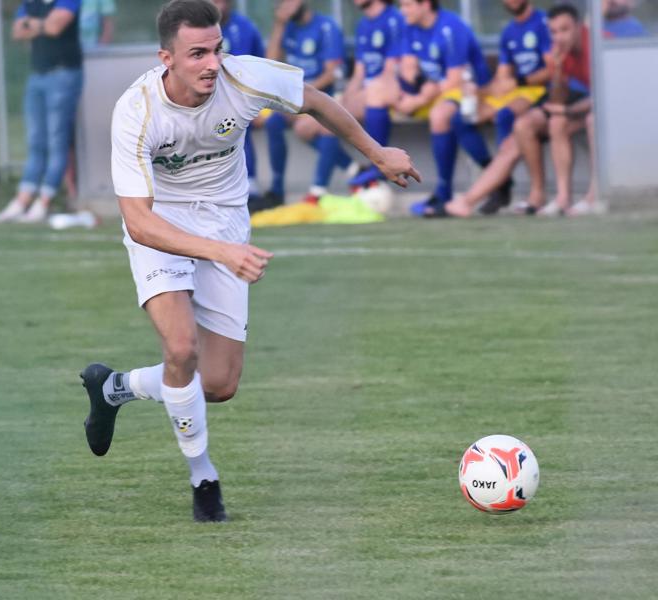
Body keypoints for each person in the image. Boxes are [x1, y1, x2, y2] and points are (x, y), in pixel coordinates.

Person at [80, 0, 419, 522]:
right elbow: (139, 222)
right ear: (166, 58)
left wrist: (378, 154)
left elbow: (316, 102)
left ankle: (114, 388)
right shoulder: (137, 110)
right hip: (162, 226)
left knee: (218, 384)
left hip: (224, 221)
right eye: (197, 54)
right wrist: (222, 253)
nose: (212, 63)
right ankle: (204, 480)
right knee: (181, 347)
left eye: (216, 49)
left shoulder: (244, 78)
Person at [446, 3, 596, 217]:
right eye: (554, 32)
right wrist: (559, 68)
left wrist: (563, 109)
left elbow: (606, 99)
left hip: (578, 105)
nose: (559, 37)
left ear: (579, 27)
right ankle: (542, 196)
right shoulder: (545, 45)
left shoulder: (595, 44)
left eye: (565, 30)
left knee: (563, 120)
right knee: (520, 125)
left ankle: (592, 194)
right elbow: (555, 96)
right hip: (566, 105)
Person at [393, 0, 494, 217]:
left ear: (426, 4)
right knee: (385, 100)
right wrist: (412, 89)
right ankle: (374, 179)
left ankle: (445, 191)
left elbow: (455, 79)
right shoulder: (410, 26)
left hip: (472, 89)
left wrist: (419, 98)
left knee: (441, 115)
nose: (403, 11)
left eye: (408, 5)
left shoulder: (452, 27)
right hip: (436, 89)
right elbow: (408, 68)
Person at [0, 0, 83, 224]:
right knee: (35, 140)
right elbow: (17, 31)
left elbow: (55, 27)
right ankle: (22, 200)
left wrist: (32, 25)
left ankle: (44, 201)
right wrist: (41, 24)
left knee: (56, 140)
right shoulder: (31, 3)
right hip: (38, 75)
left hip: (64, 74)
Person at [265, 0, 352, 205]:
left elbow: (332, 74)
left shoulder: (326, 26)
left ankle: (318, 190)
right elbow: (269, 64)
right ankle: (276, 189)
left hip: (325, 97)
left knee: (313, 127)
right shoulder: (287, 29)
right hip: (296, 98)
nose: (283, 6)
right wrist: (278, 26)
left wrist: (301, 95)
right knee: (273, 123)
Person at [469, 0, 552, 214]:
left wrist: (518, 82)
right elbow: (503, 77)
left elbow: (553, 70)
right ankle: (498, 179)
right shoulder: (509, 31)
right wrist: (478, 92)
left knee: (505, 115)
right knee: (466, 117)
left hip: (542, 91)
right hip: (520, 89)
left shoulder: (544, 22)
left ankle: (500, 184)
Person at [342, 0, 405, 188]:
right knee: (314, 121)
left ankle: (378, 166)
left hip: (392, 88)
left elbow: (391, 70)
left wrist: (365, 93)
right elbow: (359, 73)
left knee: (375, 91)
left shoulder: (394, 19)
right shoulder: (363, 24)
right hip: (367, 90)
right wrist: (346, 98)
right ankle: (352, 168)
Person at [211, 0, 267, 210]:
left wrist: (257, 104)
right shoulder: (197, 29)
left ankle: (250, 185)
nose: (217, 5)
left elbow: (250, 72)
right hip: (206, 98)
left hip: (240, 99)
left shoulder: (244, 28)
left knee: (237, 121)